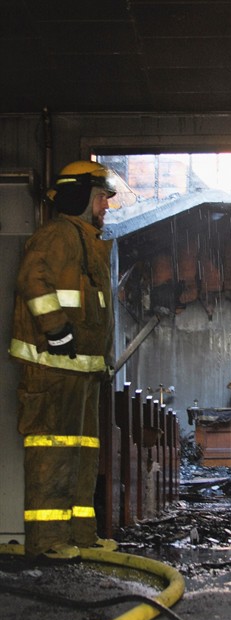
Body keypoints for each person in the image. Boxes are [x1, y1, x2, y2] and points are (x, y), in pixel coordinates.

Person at [9, 160, 119, 559]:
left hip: (81, 370)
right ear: (83, 197)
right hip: (53, 369)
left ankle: (79, 535)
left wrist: (101, 359)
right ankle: (49, 541)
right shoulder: (57, 235)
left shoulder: (85, 238)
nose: (106, 206)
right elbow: (32, 280)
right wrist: (56, 329)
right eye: (102, 198)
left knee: (81, 451)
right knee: (54, 450)